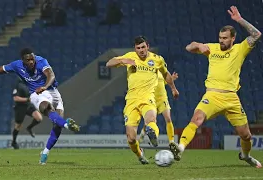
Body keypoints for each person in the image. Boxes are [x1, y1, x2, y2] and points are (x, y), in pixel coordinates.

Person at [169, 6, 262, 168]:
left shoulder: (240, 49)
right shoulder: (212, 48)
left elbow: (256, 34)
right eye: (220, 37)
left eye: (225, 38)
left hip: (232, 98)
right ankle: (180, 148)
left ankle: (245, 155)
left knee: (246, 136)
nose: (221, 41)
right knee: (196, 119)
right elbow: (188, 47)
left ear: (233, 38)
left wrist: (239, 20)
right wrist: (198, 44)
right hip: (212, 96)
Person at [0, 48, 80, 165]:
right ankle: (67, 124)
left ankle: (45, 152)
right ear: (23, 61)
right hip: (36, 93)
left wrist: (45, 86)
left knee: (57, 127)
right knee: (46, 108)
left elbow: (51, 75)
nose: (31, 62)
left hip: (52, 91)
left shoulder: (41, 61)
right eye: (28, 60)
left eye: (32, 59)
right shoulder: (16, 65)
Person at [106, 36, 179, 164]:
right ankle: (140, 155)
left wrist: (173, 88)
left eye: (143, 47)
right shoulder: (130, 56)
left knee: (151, 120)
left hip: (148, 98)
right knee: (131, 138)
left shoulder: (157, 60)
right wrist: (125, 60)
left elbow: (166, 74)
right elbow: (109, 63)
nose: (141, 50)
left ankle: (154, 136)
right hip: (131, 101)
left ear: (148, 47)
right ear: (135, 49)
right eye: (138, 48)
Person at [139, 71, 178, 144]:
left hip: (162, 98)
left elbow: (163, 82)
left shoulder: (161, 69)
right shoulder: (146, 70)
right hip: (151, 99)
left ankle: (171, 142)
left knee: (168, 118)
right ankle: (147, 135)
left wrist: (172, 78)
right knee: (151, 122)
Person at [11, 77, 43, 149]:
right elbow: (15, 98)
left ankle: (29, 128)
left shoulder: (29, 85)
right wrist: (27, 99)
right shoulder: (18, 85)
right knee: (18, 126)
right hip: (20, 107)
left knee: (39, 118)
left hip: (28, 105)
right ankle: (14, 142)